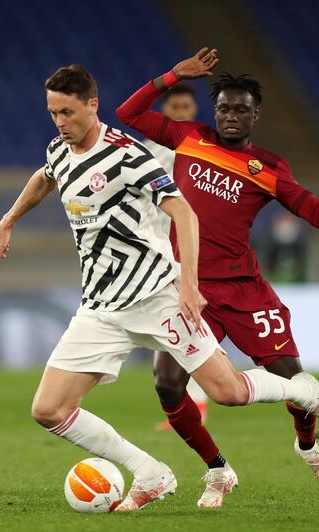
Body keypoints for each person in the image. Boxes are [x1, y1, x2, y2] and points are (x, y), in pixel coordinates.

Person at [0, 64, 319, 512]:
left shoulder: (128, 156)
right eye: (52, 113)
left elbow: (184, 213)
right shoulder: (59, 149)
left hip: (157, 297)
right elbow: (46, 176)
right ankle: (151, 473)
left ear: (91, 105)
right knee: (48, 409)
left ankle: (305, 392)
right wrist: (7, 221)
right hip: (101, 306)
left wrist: (187, 284)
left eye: (67, 112)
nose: (60, 122)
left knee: (229, 393)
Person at [117, 48, 319, 504]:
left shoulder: (269, 169)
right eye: (225, 108)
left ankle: (309, 447)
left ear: (257, 115)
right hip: (188, 287)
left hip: (243, 289)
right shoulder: (188, 137)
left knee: (292, 374)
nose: (232, 116)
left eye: (242, 110)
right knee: (167, 384)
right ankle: (217, 470)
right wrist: (174, 75)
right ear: (214, 111)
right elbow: (127, 112)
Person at [142, 83, 210, 431]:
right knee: (177, 330)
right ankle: (191, 402)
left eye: (187, 107)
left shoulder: (205, 152)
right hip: (158, 251)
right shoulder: (147, 152)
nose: (181, 113)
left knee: (186, 327)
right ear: (165, 112)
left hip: (189, 251)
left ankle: (196, 402)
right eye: (175, 107)